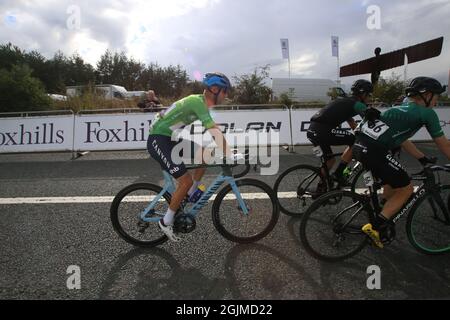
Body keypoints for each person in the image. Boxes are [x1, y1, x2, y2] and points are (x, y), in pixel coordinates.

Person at [353, 77, 450, 248]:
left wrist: (421, 157)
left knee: (394, 178)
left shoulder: (403, 107)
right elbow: (443, 144)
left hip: (359, 146)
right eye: (436, 96)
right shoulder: (427, 113)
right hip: (375, 151)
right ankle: (375, 227)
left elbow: (404, 140)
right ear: (426, 95)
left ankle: (383, 208)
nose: (437, 100)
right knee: (406, 188)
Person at [147, 72, 234, 242]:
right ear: (215, 89)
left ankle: (192, 191)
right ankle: (166, 221)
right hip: (159, 139)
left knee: (206, 154)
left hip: (170, 137)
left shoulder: (199, 102)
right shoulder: (197, 102)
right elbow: (214, 131)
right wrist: (229, 154)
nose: (226, 95)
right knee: (184, 181)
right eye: (225, 91)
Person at [306, 79, 373, 190]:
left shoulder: (345, 101)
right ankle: (338, 173)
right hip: (322, 130)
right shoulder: (357, 104)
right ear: (363, 94)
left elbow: (352, 123)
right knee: (354, 141)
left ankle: (320, 189)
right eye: (369, 95)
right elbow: (372, 123)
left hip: (312, 131)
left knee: (329, 161)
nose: (370, 98)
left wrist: (359, 132)